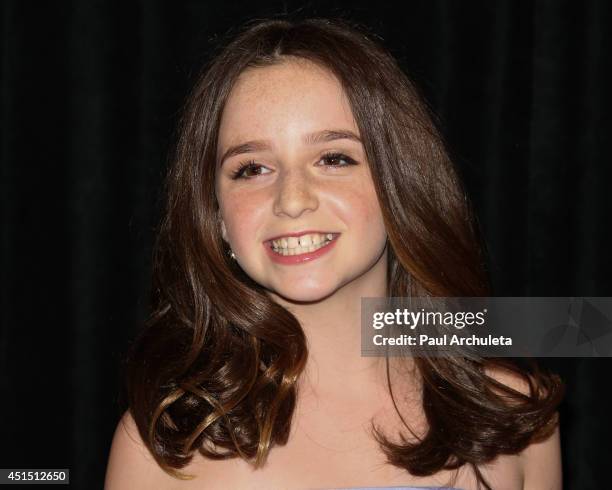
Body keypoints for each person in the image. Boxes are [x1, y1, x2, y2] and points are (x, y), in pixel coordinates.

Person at [104, 17, 564, 490]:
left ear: (397, 183)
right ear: (216, 216)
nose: (292, 198)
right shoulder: (162, 447)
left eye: (334, 158)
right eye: (253, 168)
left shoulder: (515, 417)